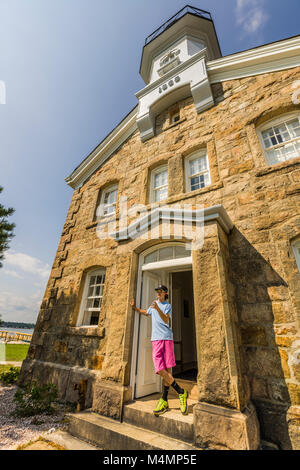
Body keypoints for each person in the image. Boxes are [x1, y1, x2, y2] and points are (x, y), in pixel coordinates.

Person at [130, 285, 188, 416]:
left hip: (167, 338)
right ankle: (181, 392)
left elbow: (166, 319)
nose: (158, 294)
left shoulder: (167, 306)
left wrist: (157, 308)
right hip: (156, 339)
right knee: (160, 369)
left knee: (167, 369)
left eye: (160, 292)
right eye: (157, 292)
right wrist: (135, 308)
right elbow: (147, 312)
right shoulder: (154, 305)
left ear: (165, 293)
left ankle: (164, 400)